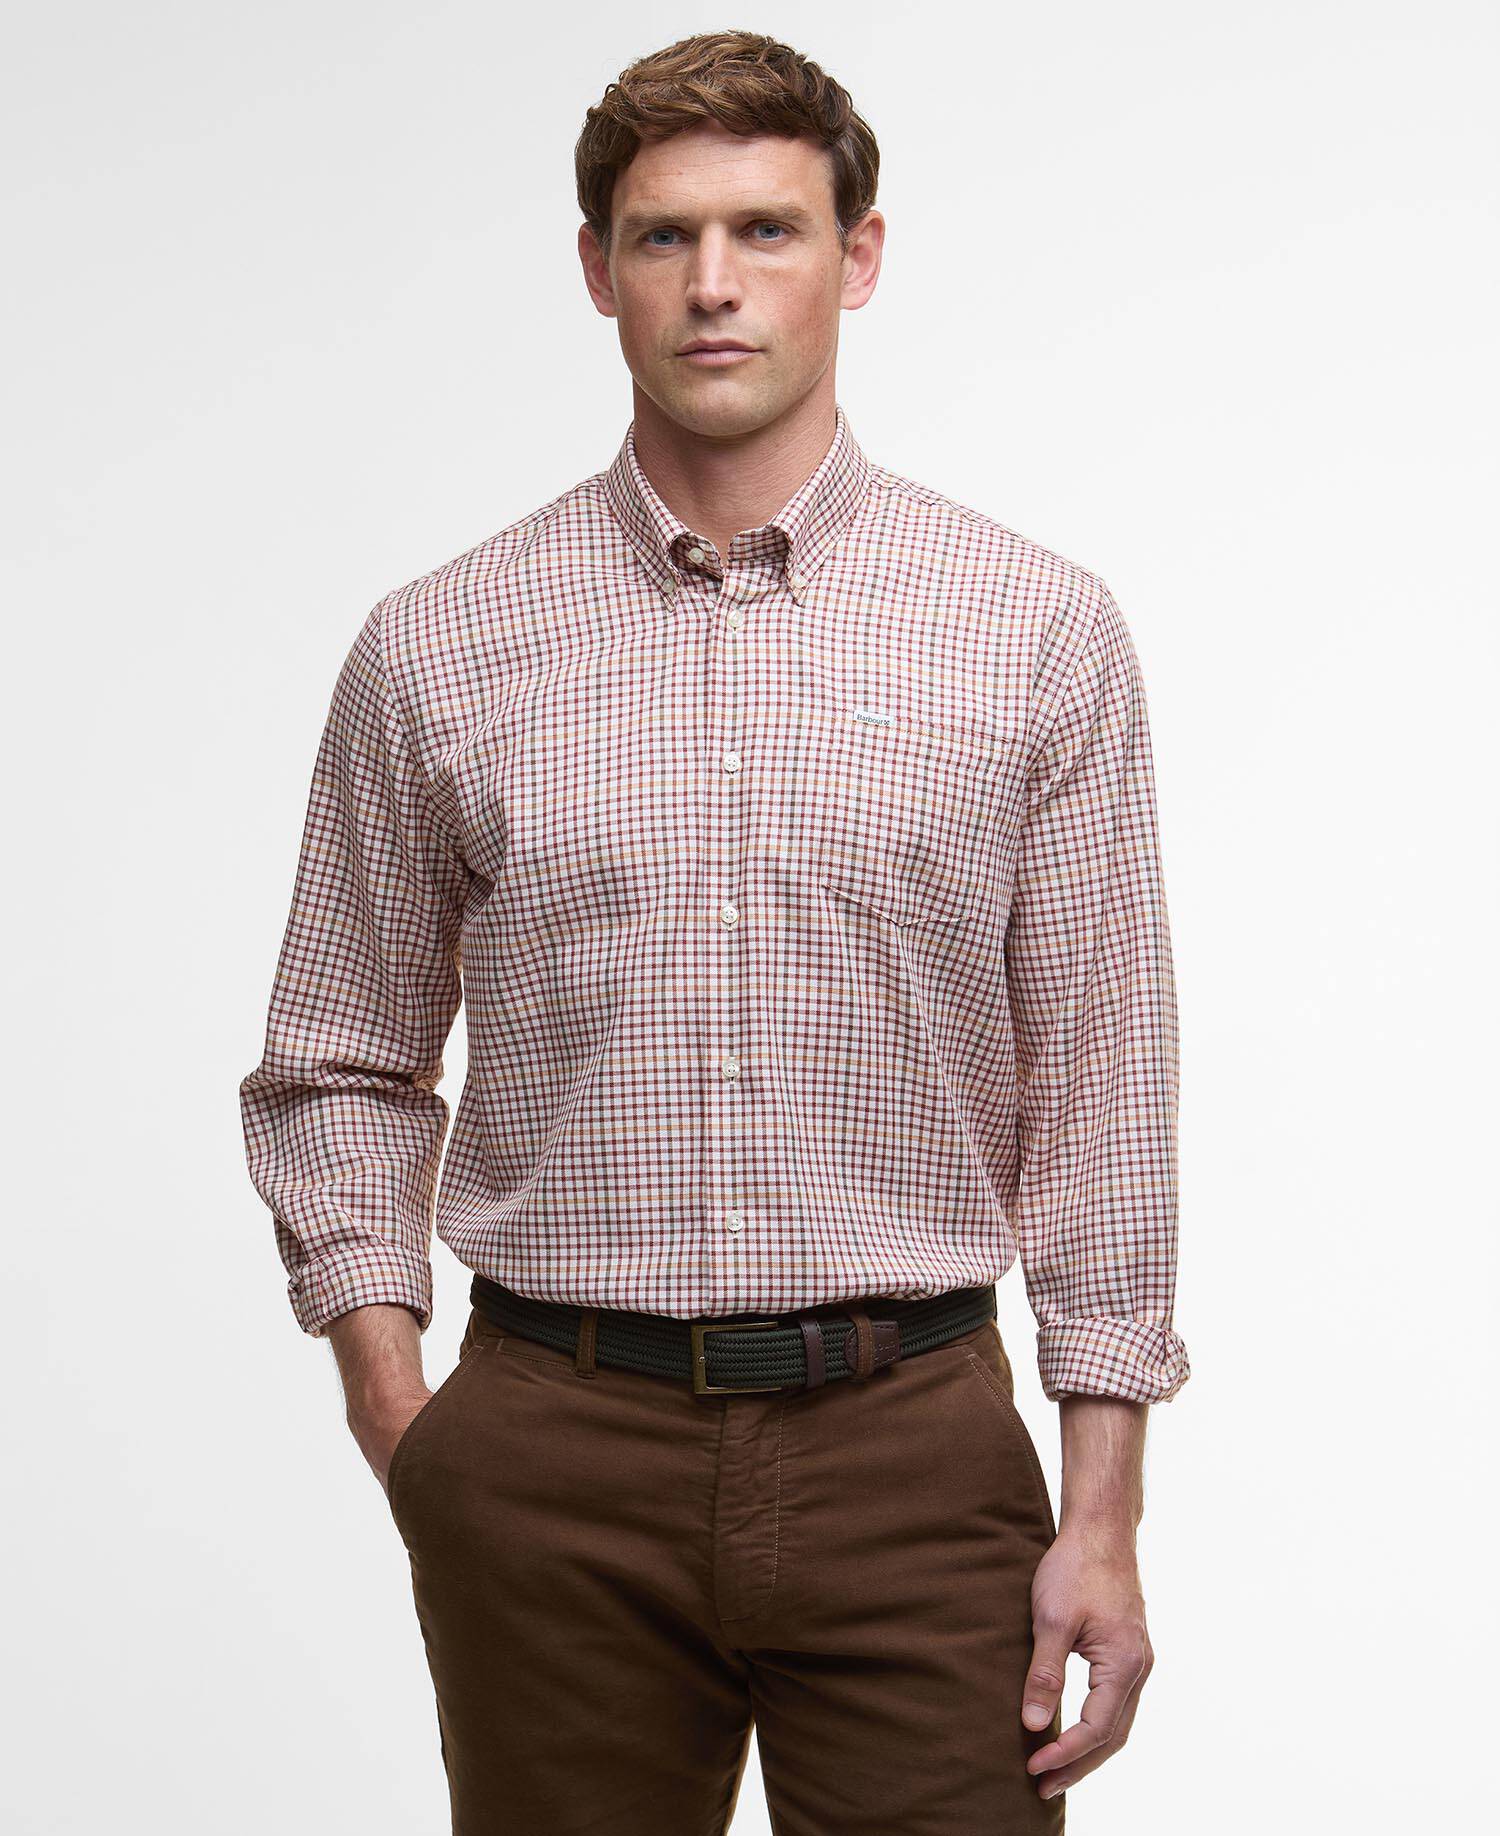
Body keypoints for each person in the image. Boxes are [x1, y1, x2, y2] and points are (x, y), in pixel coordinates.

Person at [238, 28, 1190, 1834]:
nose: (715, 283)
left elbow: (1102, 1091)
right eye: (664, 236)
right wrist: (405, 1422)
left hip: (915, 1451)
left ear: (860, 256)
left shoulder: (1033, 632)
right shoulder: (442, 645)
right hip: (552, 1452)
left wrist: (1104, 1513)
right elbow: (337, 1058)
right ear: (597, 270)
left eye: (768, 229)